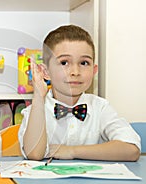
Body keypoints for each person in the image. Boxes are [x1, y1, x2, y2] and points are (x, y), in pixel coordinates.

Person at [18, 25, 141, 161]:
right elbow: (34, 154)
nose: (75, 72)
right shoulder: (35, 110)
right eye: (64, 62)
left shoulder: (100, 107)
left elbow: (131, 149)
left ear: (94, 71)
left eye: (84, 63)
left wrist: (70, 151)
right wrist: (38, 98)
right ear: (46, 72)